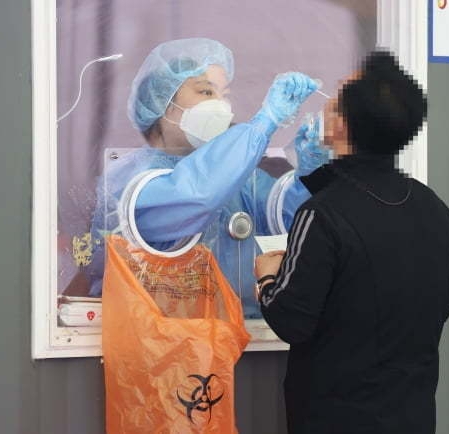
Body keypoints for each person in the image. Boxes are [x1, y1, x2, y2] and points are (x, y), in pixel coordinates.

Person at [254, 51, 449, 433]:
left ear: (339, 127)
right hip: (412, 418)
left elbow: (290, 320)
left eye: (333, 102)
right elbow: (439, 306)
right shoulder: (436, 210)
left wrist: (267, 277)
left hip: (334, 419)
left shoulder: (321, 215)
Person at [86, 38, 329, 318]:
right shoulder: (131, 182)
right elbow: (197, 194)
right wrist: (266, 120)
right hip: (172, 349)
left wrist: (310, 173)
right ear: (163, 103)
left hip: (242, 340)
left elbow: (285, 215)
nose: (220, 106)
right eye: (205, 91)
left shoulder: (236, 175)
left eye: (223, 94)